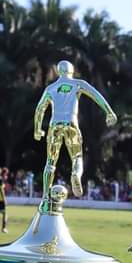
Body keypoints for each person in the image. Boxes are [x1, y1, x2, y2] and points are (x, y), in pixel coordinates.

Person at [33, 59, 117, 202]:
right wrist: (109, 111)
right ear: (71, 71)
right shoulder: (78, 84)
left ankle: (46, 197)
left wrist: (37, 129)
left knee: (51, 161)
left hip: (55, 125)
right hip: (71, 123)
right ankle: (75, 175)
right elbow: (95, 95)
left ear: (59, 71)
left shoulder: (51, 88)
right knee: (77, 157)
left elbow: (40, 109)